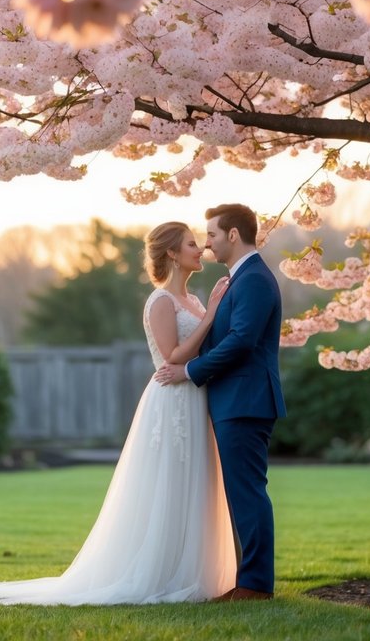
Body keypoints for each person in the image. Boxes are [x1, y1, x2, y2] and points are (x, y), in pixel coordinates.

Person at [0, 222, 236, 605]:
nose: (200, 249)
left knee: (196, 483)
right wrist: (211, 317)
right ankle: (157, 574)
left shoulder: (196, 300)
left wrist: (211, 313)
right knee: (168, 483)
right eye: (191, 244)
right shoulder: (160, 301)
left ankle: (190, 571)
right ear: (171, 253)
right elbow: (172, 355)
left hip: (196, 398)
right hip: (171, 400)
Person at [155, 203, 286, 602]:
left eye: (211, 234)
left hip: (245, 399)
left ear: (233, 235)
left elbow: (242, 341)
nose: (207, 242)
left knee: (247, 492)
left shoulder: (254, 280)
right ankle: (246, 580)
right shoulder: (237, 279)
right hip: (233, 399)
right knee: (241, 492)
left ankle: (255, 585)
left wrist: (192, 371)